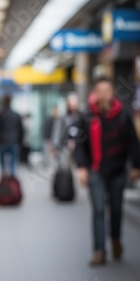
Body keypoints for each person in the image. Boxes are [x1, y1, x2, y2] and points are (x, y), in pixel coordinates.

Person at [75, 77, 140, 266]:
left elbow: (133, 142)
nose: (103, 94)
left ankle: (116, 239)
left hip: (118, 170)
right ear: (95, 93)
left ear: (112, 93)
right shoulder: (88, 116)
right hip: (96, 170)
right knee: (98, 209)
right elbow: (79, 144)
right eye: (100, 91)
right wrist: (81, 168)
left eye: (107, 90)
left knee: (117, 209)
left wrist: (136, 166)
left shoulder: (123, 115)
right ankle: (99, 250)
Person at [0, 95, 24, 176]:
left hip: (2, 142)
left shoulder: (0, 115)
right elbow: (21, 130)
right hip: (14, 142)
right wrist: (19, 142)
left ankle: (4, 181)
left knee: (3, 165)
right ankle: (12, 182)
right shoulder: (16, 115)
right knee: (13, 163)